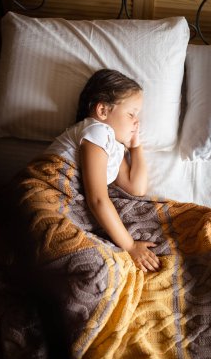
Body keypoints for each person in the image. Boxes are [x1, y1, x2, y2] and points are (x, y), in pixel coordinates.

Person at [46, 69, 160, 273]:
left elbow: (136, 188)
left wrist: (135, 147)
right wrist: (130, 246)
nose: (137, 121)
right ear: (103, 111)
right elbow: (97, 199)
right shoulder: (97, 131)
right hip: (48, 188)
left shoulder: (113, 145)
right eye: (131, 114)